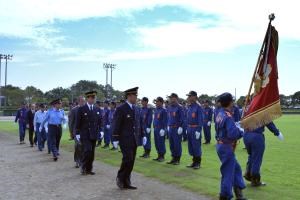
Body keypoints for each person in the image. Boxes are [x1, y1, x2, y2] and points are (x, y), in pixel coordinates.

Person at [112, 87, 146, 190]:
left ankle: (127, 181)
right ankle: (120, 177)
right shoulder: (121, 108)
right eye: (135, 96)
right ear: (129, 96)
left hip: (134, 139)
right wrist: (115, 138)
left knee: (131, 161)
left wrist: (143, 135)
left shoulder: (136, 108)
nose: (136, 97)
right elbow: (116, 124)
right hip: (124, 139)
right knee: (128, 159)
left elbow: (139, 123)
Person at [215, 93, 246, 200]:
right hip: (226, 147)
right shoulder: (228, 116)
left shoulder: (220, 113)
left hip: (221, 145)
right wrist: (240, 131)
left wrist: (235, 126)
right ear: (230, 102)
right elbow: (232, 134)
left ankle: (239, 194)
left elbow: (219, 130)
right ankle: (224, 196)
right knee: (228, 172)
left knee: (236, 169)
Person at [243, 122, 283, 187]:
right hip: (256, 136)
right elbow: (268, 122)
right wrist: (277, 133)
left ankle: (248, 174)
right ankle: (255, 180)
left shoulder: (246, 111)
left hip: (246, 135)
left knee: (251, 156)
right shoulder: (260, 112)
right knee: (257, 159)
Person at [75, 91, 102, 175]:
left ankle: (89, 169)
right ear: (87, 98)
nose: (93, 99)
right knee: (87, 150)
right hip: (85, 134)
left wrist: (101, 131)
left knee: (92, 152)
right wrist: (77, 133)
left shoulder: (97, 109)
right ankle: (83, 167)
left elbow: (100, 122)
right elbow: (78, 122)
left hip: (94, 134)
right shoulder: (82, 109)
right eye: (91, 98)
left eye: (94, 98)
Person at [186, 91, 203, 169]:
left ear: (195, 97)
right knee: (191, 146)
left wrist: (198, 130)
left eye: (190, 96)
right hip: (189, 128)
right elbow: (188, 118)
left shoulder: (198, 107)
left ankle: (198, 163)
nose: (189, 97)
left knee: (196, 146)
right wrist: (187, 128)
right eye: (188, 96)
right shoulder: (189, 106)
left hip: (195, 128)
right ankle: (194, 161)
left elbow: (200, 119)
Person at [166, 93, 184, 165]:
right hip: (170, 128)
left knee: (177, 144)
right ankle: (173, 158)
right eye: (170, 98)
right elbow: (169, 118)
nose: (171, 99)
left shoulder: (179, 107)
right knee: (172, 144)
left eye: (172, 98)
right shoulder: (170, 107)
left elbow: (182, 118)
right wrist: (168, 125)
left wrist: (181, 127)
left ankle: (177, 159)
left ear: (176, 98)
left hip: (177, 128)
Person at [69, 96, 85, 168]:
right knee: (78, 146)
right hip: (77, 132)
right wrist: (71, 133)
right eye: (82, 101)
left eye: (84, 101)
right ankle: (77, 161)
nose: (83, 102)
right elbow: (71, 122)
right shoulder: (74, 110)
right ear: (78, 101)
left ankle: (82, 160)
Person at [152, 97, 167, 162]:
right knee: (157, 143)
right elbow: (155, 119)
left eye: (157, 101)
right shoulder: (156, 110)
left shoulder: (164, 110)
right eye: (156, 102)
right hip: (156, 128)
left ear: (161, 102)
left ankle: (162, 156)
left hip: (161, 129)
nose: (156, 103)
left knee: (161, 143)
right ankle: (158, 155)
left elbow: (165, 120)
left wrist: (163, 129)